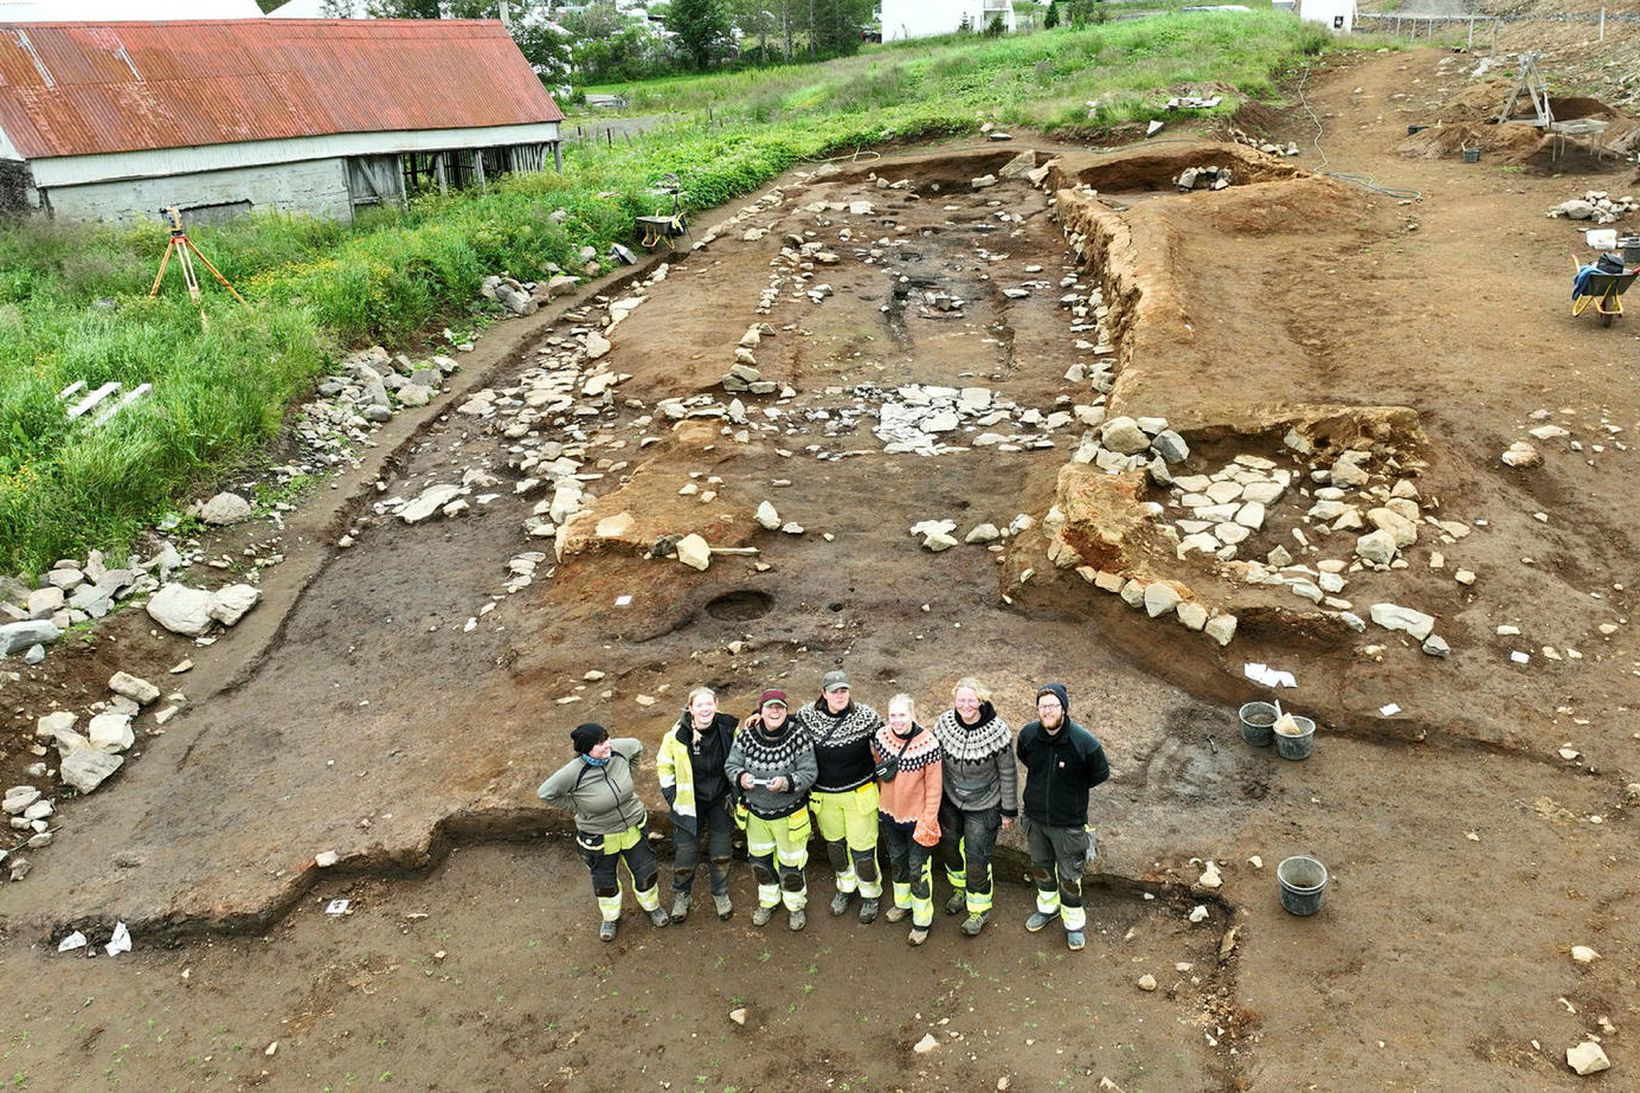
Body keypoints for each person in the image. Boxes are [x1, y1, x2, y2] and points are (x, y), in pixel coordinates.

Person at [537, 722, 670, 942]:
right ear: (587, 748)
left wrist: (627, 775)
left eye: (607, 738)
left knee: (646, 872)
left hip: (633, 826)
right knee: (605, 881)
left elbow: (637, 747)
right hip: (599, 836)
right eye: (600, 742)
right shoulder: (573, 772)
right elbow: (546, 793)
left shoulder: (619, 749)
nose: (607, 744)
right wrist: (579, 806)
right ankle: (611, 917)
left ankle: (652, 907)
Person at [1015, 683, 1110, 951]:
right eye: (1043, 706)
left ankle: (1074, 924)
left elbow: (1099, 774)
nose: (1047, 711)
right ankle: (1047, 909)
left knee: (1069, 878)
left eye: (1053, 706)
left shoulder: (1085, 743)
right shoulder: (1028, 736)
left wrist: (1069, 793)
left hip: (1069, 825)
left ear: (1064, 709)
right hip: (1034, 820)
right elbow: (1025, 758)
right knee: (1041, 867)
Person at [794, 670, 885, 923]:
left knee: (863, 849)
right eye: (834, 691)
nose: (840, 695)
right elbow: (783, 724)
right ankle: (845, 888)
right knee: (835, 848)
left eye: (844, 690)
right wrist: (759, 715)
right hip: (824, 797)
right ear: (824, 693)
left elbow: (890, 738)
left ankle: (870, 894)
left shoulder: (866, 716)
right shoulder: (807, 717)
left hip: (860, 794)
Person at [931, 677, 1018, 937]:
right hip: (951, 798)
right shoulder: (944, 724)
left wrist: (1009, 810)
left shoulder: (997, 731)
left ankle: (979, 908)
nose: (965, 705)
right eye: (961, 700)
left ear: (980, 700)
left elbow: (1008, 772)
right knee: (947, 843)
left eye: (971, 700)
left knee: (976, 854)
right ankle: (960, 889)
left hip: (985, 803)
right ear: (954, 700)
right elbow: (934, 761)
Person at [726, 689, 818, 931]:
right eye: (770, 707)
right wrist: (741, 777)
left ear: (786, 711)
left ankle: (796, 906)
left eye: (779, 708)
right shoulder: (746, 735)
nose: (775, 712)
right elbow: (731, 764)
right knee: (760, 863)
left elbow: (809, 773)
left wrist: (787, 782)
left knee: (791, 866)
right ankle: (768, 902)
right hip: (756, 816)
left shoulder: (799, 736)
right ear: (761, 710)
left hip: (790, 816)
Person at [657, 686, 738, 922]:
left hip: (720, 801)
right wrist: (672, 797)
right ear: (690, 708)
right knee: (685, 853)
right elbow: (664, 765)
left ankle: (720, 893)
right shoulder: (676, 736)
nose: (705, 709)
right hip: (688, 804)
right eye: (699, 705)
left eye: (709, 704)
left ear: (716, 704)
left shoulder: (729, 729)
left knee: (722, 852)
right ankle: (682, 894)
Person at [873, 693, 944, 946]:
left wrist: (928, 820)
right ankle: (902, 904)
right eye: (893, 715)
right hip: (890, 815)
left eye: (902, 715)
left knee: (918, 869)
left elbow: (934, 789)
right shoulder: (882, 737)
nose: (897, 721)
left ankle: (922, 919)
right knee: (898, 861)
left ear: (913, 715)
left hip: (918, 820)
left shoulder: (928, 744)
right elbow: (879, 766)